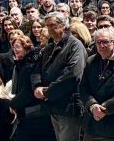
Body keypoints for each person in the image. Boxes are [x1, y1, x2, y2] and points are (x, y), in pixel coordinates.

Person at [36, 12, 86, 141]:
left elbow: (73, 75)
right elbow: (37, 71)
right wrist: (37, 87)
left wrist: (48, 91)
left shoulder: (75, 45)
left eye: (53, 25)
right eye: (47, 26)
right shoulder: (49, 48)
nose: (49, 29)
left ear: (64, 25)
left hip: (69, 106)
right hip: (53, 106)